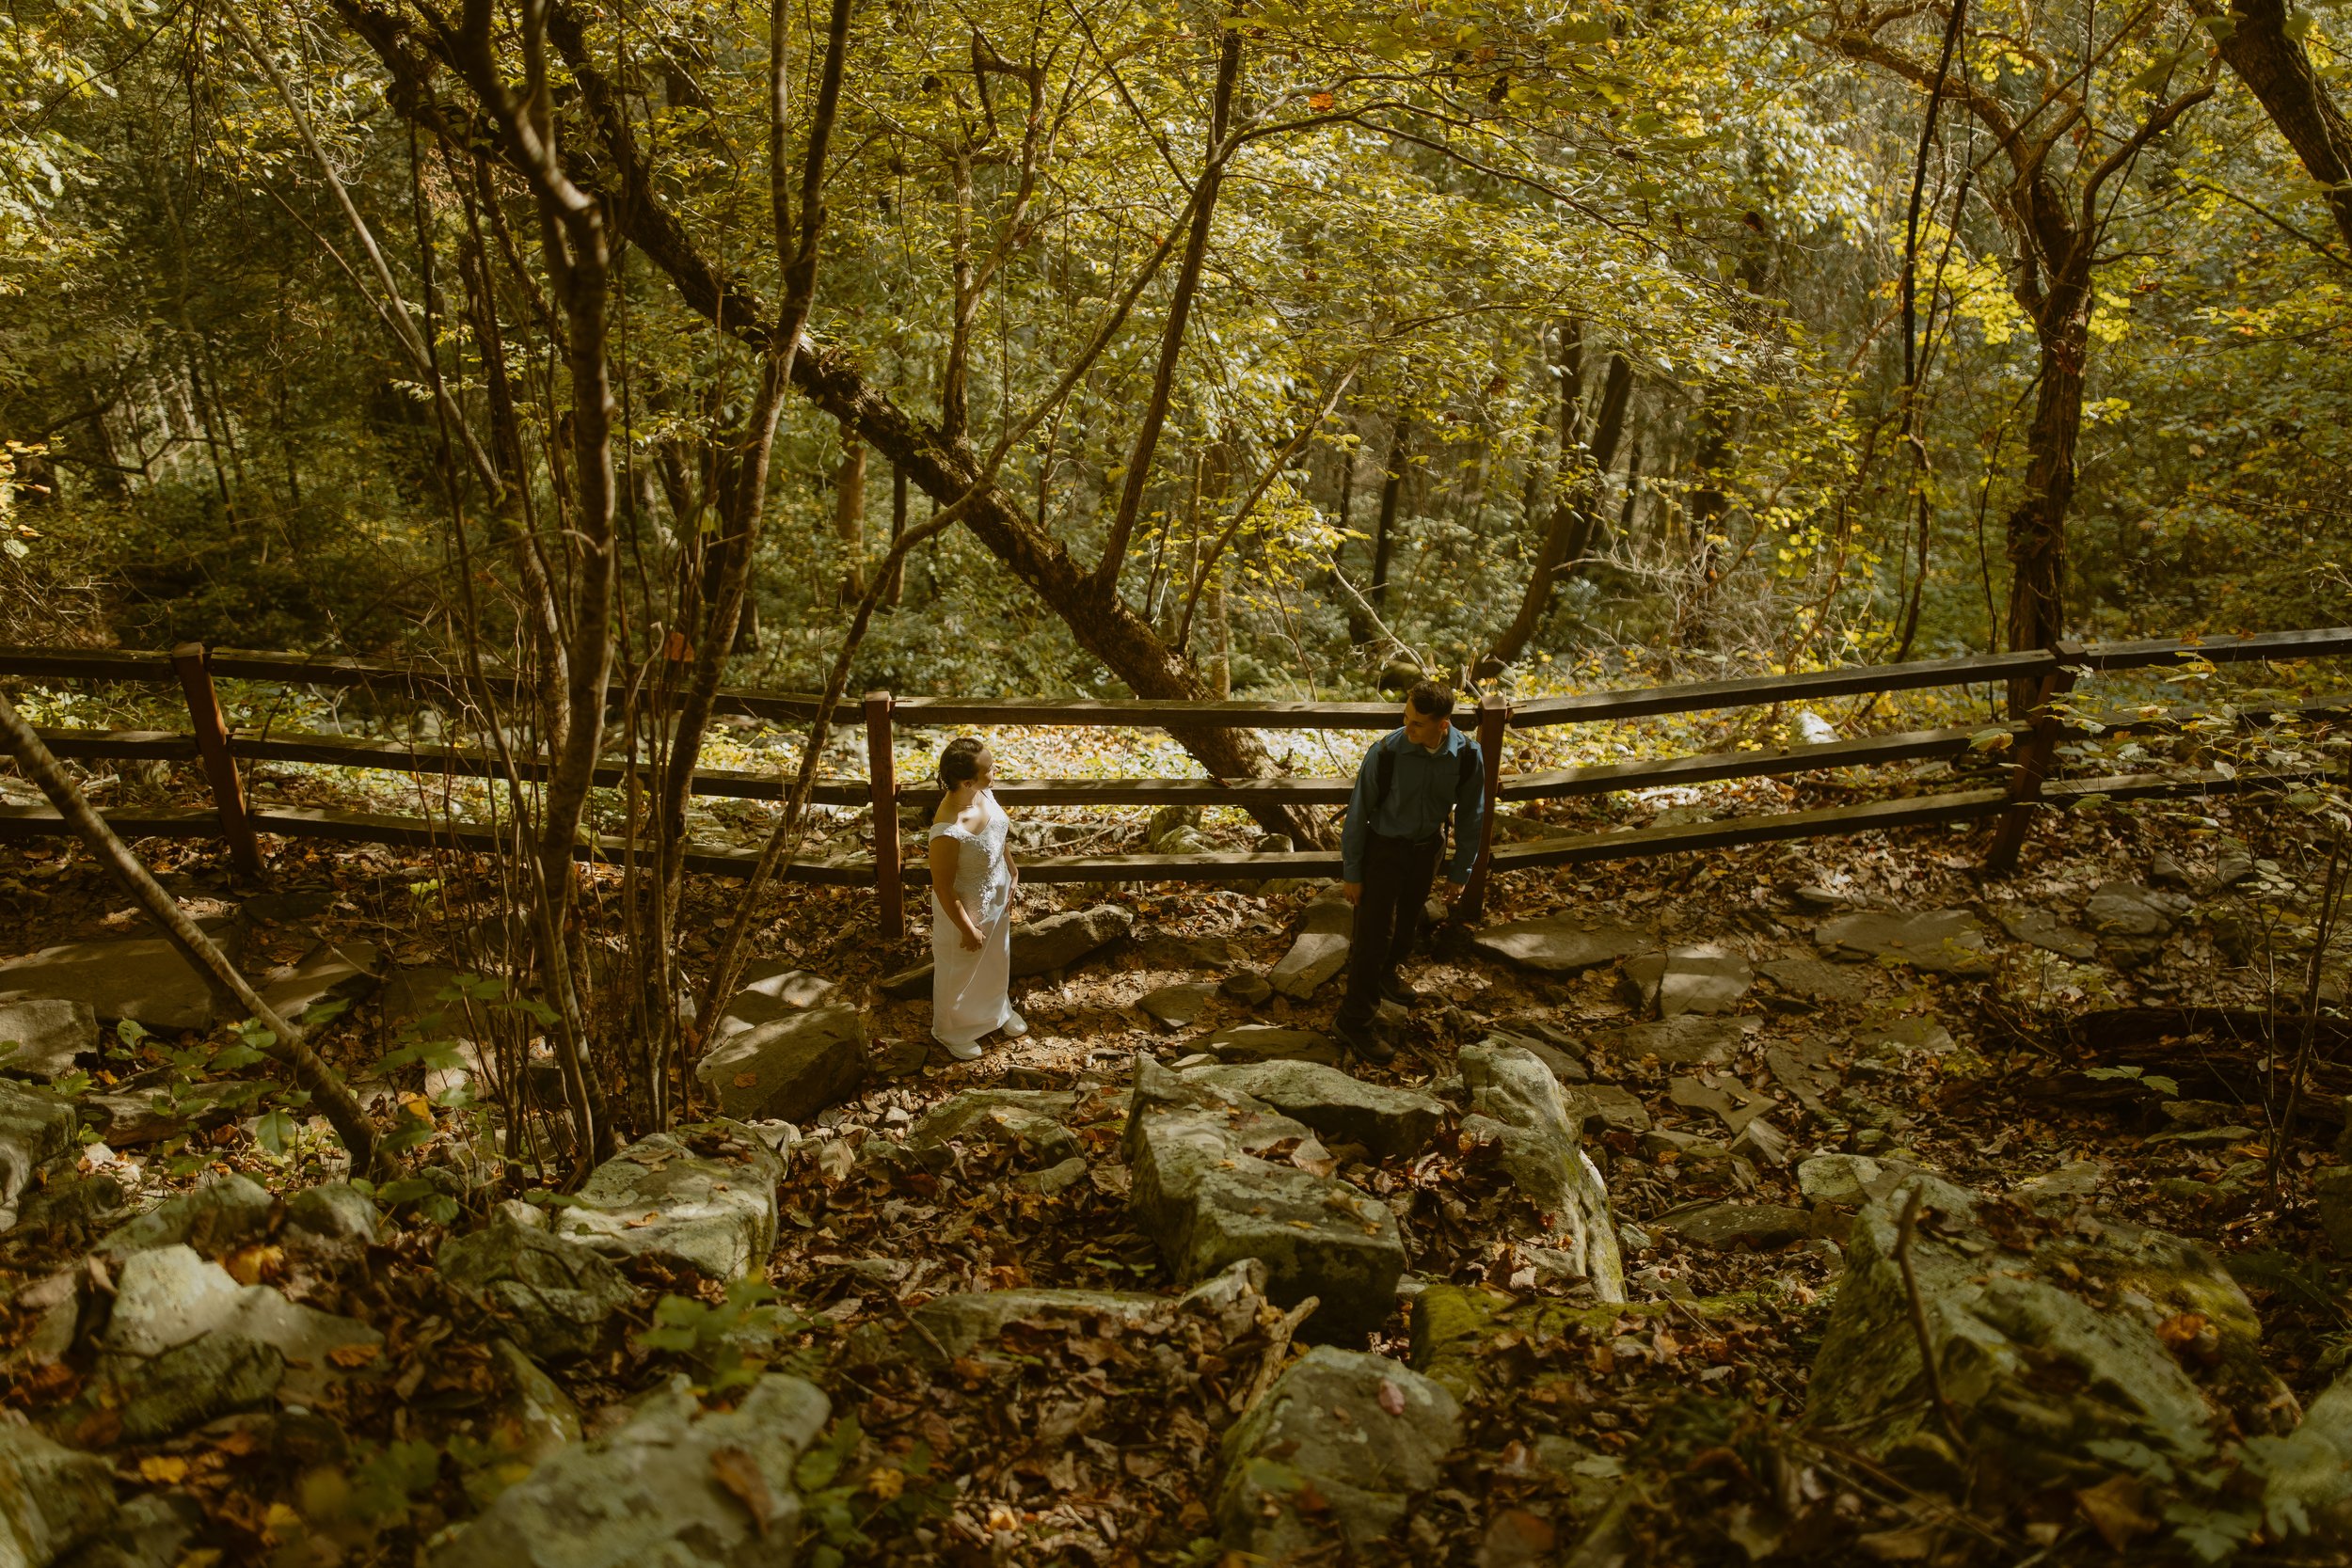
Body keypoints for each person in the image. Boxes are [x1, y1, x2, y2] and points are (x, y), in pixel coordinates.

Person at [1332, 680, 1486, 1062]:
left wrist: (1461, 870)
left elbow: (1472, 815)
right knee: (1373, 936)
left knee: (1407, 922)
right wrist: (1353, 872)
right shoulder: (1386, 752)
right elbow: (1357, 813)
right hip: (1383, 850)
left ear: (1443, 724)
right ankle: (1354, 1020)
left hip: (1428, 849)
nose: (1407, 727)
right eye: (1406, 717)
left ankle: (1387, 974)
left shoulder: (1467, 756)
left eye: (1417, 723)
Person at [927, 736, 1029, 1059]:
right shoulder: (947, 829)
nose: (996, 770)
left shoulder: (982, 791)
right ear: (967, 781)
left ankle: (997, 1010)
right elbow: (943, 887)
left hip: (997, 892)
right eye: (990, 768)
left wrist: (1012, 870)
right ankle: (951, 1030)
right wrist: (967, 928)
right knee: (960, 970)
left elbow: (997, 832)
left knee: (997, 957)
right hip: (964, 907)